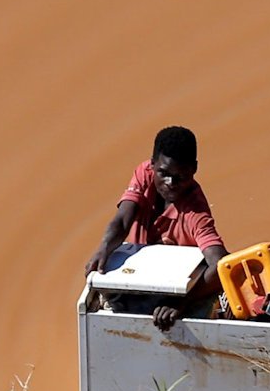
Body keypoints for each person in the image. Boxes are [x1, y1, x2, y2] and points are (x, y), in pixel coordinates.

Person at [85, 126, 229, 330]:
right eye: (163, 173)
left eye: (181, 176)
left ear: (194, 169)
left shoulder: (195, 212)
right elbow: (123, 221)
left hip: (174, 290)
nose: (170, 183)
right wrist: (103, 249)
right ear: (152, 165)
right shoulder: (144, 174)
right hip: (136, 278)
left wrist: (180, 302)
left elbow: (221, 264)